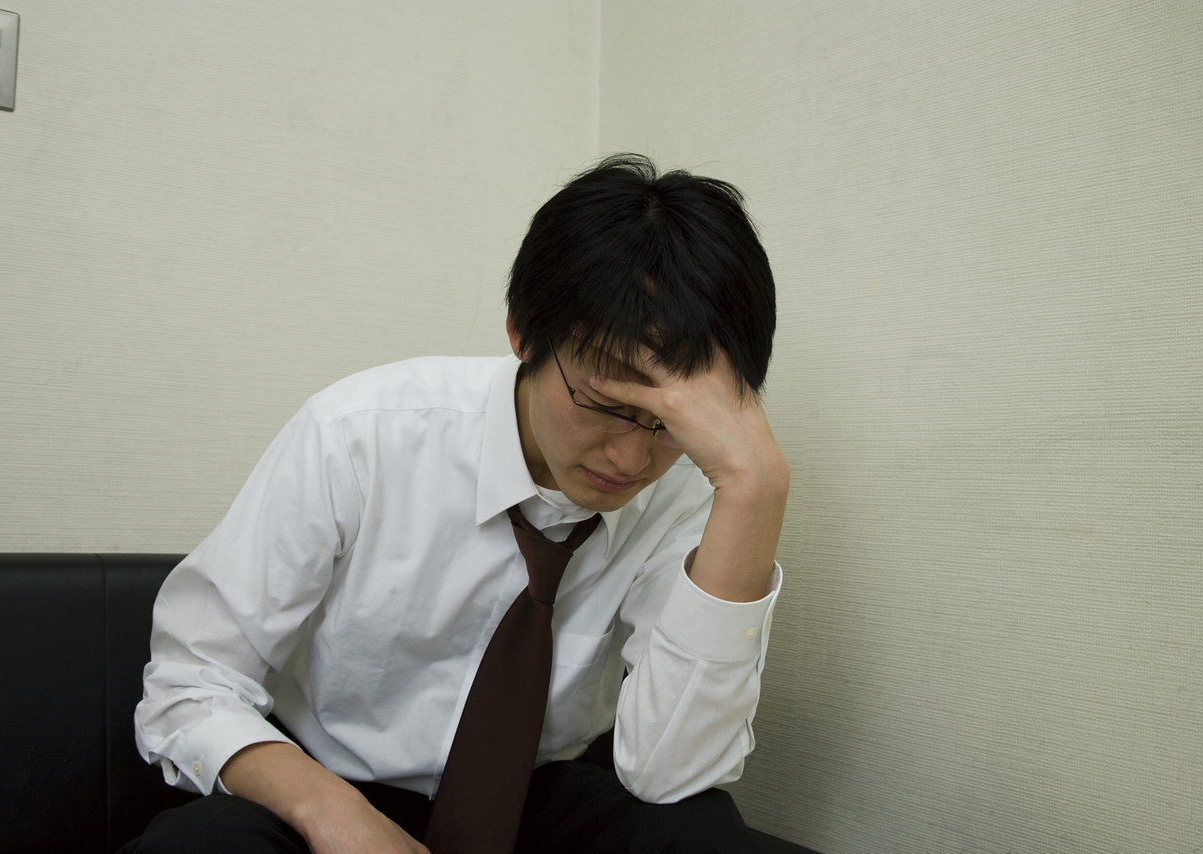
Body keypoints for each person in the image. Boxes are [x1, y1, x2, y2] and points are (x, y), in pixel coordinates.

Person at [124, 154, 790, 854]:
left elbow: (668, 775)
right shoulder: (360, 436)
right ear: (523, 333)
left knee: (696, 832)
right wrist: (328, 811)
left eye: (669, 423)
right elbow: (189, 685)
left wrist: (757, 488)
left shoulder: (693, 496)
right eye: (604, 402)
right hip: (328, 784)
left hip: (533, 801)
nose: (630, 459)